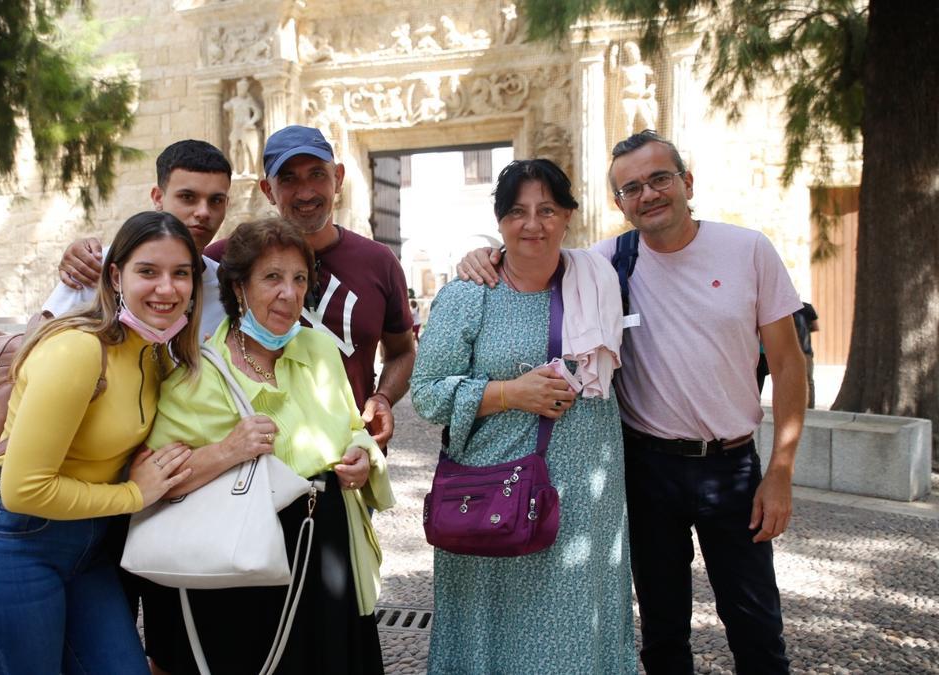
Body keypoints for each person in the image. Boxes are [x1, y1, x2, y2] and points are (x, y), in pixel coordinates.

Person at [457, 130, 807, 674]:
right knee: (662, 631)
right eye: (632, 188)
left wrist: (781, 469)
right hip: (646, 470)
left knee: (757, 624)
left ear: (687, 182)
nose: (648, 195)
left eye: (659, 179)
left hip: (733, 466)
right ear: (619, 203)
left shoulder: (749, 250)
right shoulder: (604, 264)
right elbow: (535, 250)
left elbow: (788, 364)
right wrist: (484, 255)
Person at [0, 212, 202, 674]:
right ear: (116, 277)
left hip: (85, 546)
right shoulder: (79, 348)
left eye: (181, 274)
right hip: (3, 543)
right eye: (148, 272)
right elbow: (24, 489)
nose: (166, 289)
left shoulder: (155, 353)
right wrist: (135, 494)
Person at [410, 159, 636, 673]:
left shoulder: (598, 278)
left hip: (582, 497)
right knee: (494, 630)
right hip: (494, 492)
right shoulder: (470, 295)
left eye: (547, 210)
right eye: (517, 212)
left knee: (578, 625)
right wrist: (511, 393)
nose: (532, 224)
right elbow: (426, 394)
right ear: (499, 219)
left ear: (569, 216)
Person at [143, 217, 395, 674]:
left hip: (327, 549)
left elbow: (349, 426)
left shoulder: (320, 349)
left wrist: (362, 457)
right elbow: (160, 484)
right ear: (238, 287)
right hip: (245, 560)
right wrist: (228, 450)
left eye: (300, 279)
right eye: (273, 278)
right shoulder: (197, 375)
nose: (289, 293)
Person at [0, 138, 233, 376]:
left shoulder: (226, 288)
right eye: (188, 197)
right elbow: (33, 351)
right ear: (158, 197)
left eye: (215, 201)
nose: (203, 212)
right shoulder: (94, 267)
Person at [203, 125, 416, 450]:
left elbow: (401, 351)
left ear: (338, 178)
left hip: (349, 459)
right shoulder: (225, 260)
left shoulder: (378, 262)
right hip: (257, 463)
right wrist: (97, 260)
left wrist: (383, 397)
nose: (305, 193)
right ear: (267, 189)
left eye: (317, 174)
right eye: (288, 179)